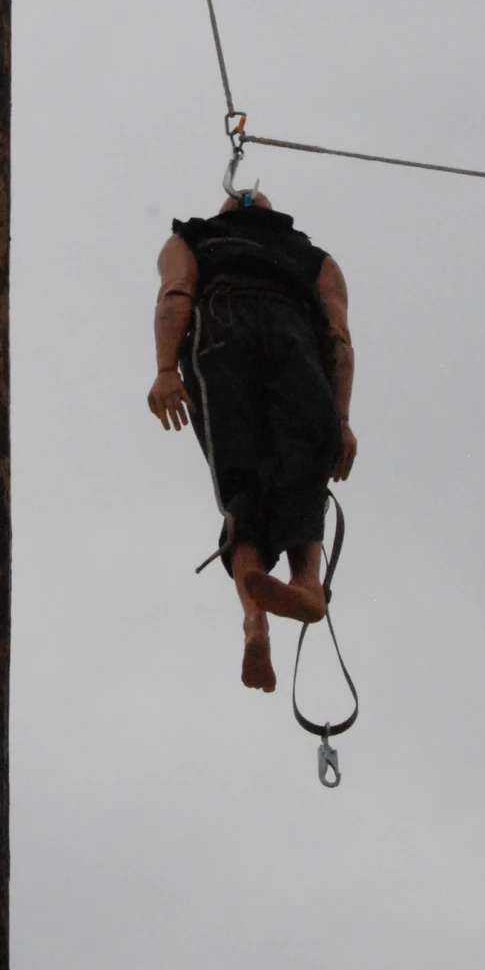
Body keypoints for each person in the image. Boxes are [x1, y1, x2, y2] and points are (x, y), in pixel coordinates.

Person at [149, 192, 356, 695]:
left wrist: (164, 370)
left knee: (243, 492)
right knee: (304, 473)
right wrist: (341, 421)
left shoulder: (191, 238)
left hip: (222, 335)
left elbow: (176, 294)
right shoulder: (315, 259)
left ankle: (255, 622)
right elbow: (339, 340)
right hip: (294, 341)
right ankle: (306, 587)